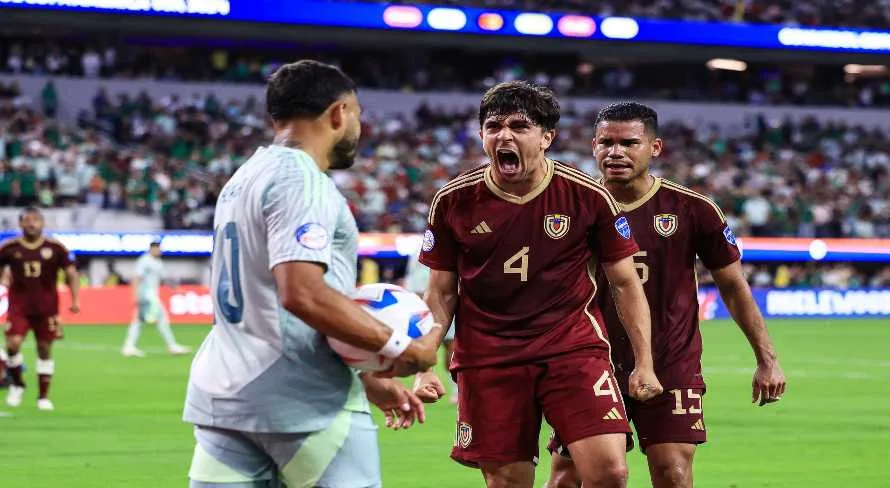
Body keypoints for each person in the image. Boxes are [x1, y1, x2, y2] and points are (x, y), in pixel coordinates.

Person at [182, 60, 440, 488]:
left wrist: (366, 377)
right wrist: (400, 348)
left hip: (224, 396)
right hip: (302, 401)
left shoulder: (243, 178)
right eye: (357, 114)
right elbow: (302, 292)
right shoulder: (301, 179)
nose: (358, 126)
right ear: (339, 113)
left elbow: (270, 302)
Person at [413, 81, 662, 488]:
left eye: (519, 126)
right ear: (481, 136)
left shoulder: (587, 196)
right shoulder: (454, 200)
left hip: (572, 348)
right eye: (493, 126)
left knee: (610, 471)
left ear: (546, 138)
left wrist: (644, 362)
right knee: (509, 483)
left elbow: (625, 283)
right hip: (489, 356)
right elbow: (440, 292)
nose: (504, 135)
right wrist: (424, 364)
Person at [546, 101, 787, 488]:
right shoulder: (571, 207)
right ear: (593, 146)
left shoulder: (693, 210)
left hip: (672, 362)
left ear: (654, 148)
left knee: (672, 473)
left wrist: (767, 359)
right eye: (606, 142)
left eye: (629, 143)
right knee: (567, 477)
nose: (616, 152)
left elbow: (733, 285)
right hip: (591, 361)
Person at [0, 207, 80, 411]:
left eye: (36, 220)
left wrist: (75, 299)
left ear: (43, 223)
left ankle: (43, 397)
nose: (31, 224)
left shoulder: (55, 248)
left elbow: (71, 273)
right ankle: (17, 384)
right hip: (19, 307)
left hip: (47, 309)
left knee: (44, 349)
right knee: (13, 344)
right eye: (27, 220)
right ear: (20, 224)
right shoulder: (10, 248)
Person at [402, 244, 458, 404]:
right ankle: (423, 382)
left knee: (451, 348)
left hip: (444, 303)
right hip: (424, 307)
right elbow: (414, 281)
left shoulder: (444, 245)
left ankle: (455, 389)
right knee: (422, 349)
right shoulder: (419, 249)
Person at [121, 241, 191, 357]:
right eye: (157, 249)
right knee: (162, 318)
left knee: (138, 321)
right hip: (147, 296)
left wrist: (176, 288)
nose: (159, 251)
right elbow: (136, 278)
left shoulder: (157, 262)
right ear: (152, 249)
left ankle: (129, 346)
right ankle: (172, 346)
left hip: (151, 295)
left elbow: (163, 278)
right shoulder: (144, 261)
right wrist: (135, 296)